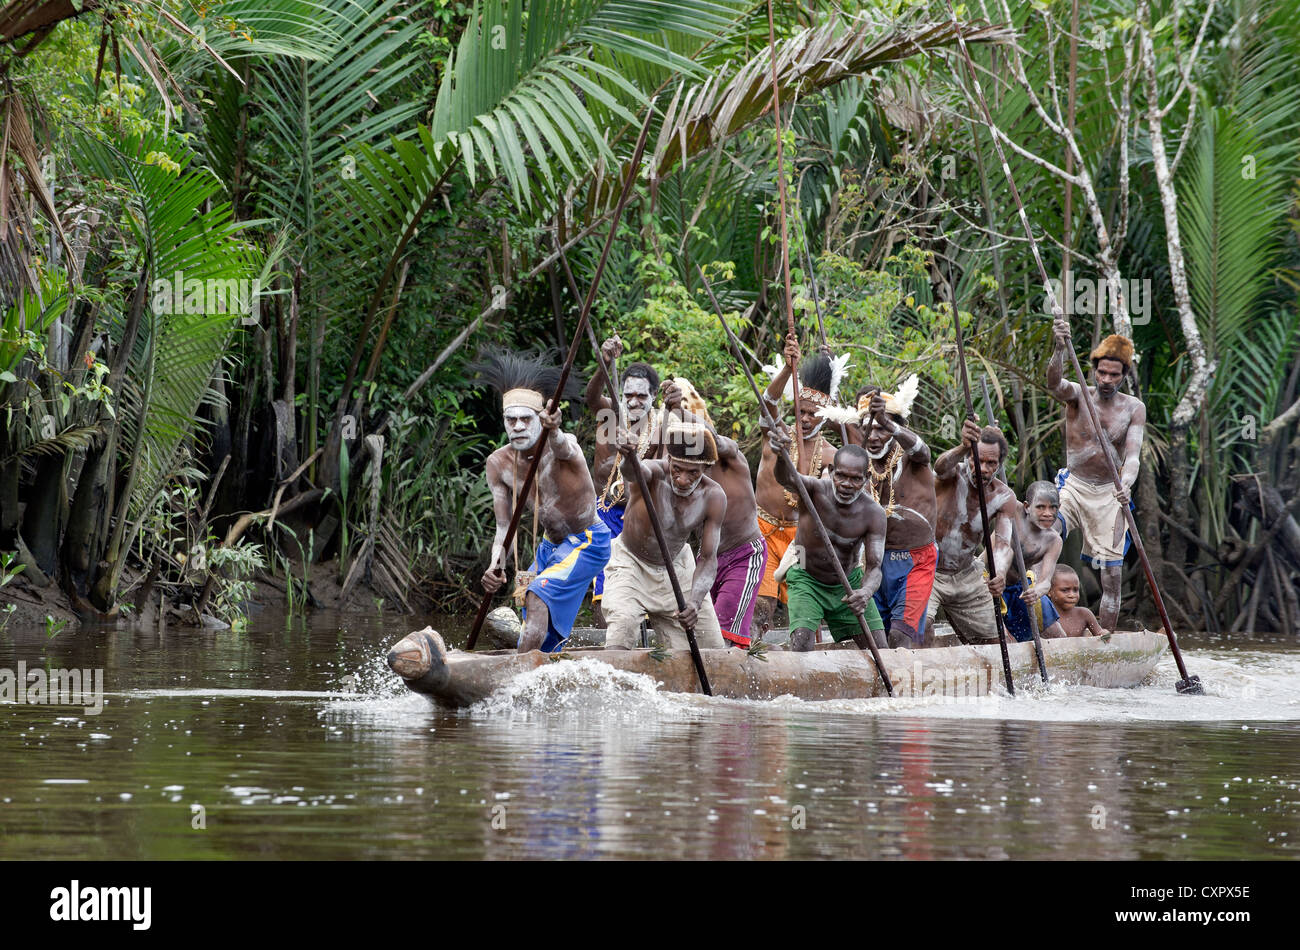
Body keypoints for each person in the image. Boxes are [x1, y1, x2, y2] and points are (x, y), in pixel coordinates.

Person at [473, 349, 612, 653]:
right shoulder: (498, 464)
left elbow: (562, 445)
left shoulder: (566, 447)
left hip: (588, 541)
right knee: (535, 620)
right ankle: (541, 667)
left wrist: (555, 428)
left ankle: (518, 683)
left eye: (526, 419)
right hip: (550, 547)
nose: (518, 427)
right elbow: (503, 527)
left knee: (536, 595)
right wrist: (495, 566)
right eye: (511, 420)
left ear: (541, 419)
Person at [823, 375, 938, 648]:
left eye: (882, 430)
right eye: (868, 430)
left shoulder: (912, 458)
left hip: (915, 562)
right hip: (874, 561)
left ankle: (907, 684)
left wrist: (886, 422)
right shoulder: (860, 466)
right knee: (875, 639)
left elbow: (924, 450)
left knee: (900, 637)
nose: (873, 437)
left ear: (896, 428)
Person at [1047, 320, 1146, 632]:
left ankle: (1105, 641)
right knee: (1047, 534)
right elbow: (1053, 384)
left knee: (1112, 575)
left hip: (1109, 493)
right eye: (1101, 372)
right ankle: (1037, 627)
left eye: (1114, 375)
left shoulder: (1133, 408)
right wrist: (1059, 348)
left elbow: (1132, 456)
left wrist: (1126, 485)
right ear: (1094, 370)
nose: (1106, 379)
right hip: (1073, 486)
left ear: (1125, 375)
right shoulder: (1078, 393)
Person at [601, 419, 727, 652]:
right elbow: (633, 471)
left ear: (706, 469)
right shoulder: (654, 472)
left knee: (712, 650)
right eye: (677, 469)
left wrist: (695, 602)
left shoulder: (714, 497)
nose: (681, 479)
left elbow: (708, 558)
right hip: (630, 564)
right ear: (669, 460)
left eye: (693, 473)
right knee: (623, 626)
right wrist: (629, 456)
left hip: (678, 567)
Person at [753, 334, 846, 635]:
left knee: (805, 613)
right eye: (801, 411)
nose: (804, 418)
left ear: (825, 414)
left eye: (812, 413)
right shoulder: (776, 433)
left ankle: (808, 666)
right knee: (760, 608)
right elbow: (768, 402)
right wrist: (787, 368)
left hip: (801, 541)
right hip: (763, 532)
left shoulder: (833, 456)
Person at [663, 380, 766, 649]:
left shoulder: (728, 453)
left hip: (745, 555)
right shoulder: (684, 470)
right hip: (707, 558)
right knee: (695, 629)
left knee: (724, 637)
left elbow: (711, 438)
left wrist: (679, 410)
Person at [768, 422, 887, 652]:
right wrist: (781, 457)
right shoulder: (814, 489)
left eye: (855, 479)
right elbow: (786, 479)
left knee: (880, 650)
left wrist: (865, 592)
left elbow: (875, 567)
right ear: (831, 471)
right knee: (801, 645)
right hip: (806, 576)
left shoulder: (874, 514)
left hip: (848, 582)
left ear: (866, 479)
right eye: (841, 476)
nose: (846, 485)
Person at [584, 336, 662, 626]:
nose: (633, 401)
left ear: (653, 395)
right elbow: (591, 397)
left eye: (641, 396)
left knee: (641, 587)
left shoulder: (662, 427)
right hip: (605, 512)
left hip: (643, 516)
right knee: (605, 587)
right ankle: (606, 641)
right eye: (628, 394)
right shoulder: (609, 415)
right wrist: (605, 362)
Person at [925, 419, 1018, 644]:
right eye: (977, 460)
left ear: (999, 464)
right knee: (920, 626)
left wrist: (1001, 572)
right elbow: (939, 466)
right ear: (969, 457)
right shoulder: (952, 474)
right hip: (928, 571)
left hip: (966, 574)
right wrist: (964, 446)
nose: (982, 468)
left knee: (1000, 643)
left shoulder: (1004, 497)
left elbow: (1004, 544)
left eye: (990, 463)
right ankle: (920, 674)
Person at [1003, 481, 1066, 641]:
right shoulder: (1014, 509)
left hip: (1021, 587)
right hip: (990, 584)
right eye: (1040, 507)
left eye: (1053, 508)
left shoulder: (1054, 540)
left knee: (1058, 636)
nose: (1048, 513)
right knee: (1007, 641)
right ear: (1026, 507)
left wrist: (1036, 592)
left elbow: (1045, 581)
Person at [1046, 565, 1108, 637]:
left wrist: (1105, 635)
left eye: (1075, 590)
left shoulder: (1084, 614)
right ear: (1049, 591)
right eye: (1065, 590)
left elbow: (1101, 637)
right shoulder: (1045, 616)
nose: (1072, 595)